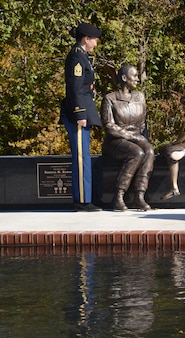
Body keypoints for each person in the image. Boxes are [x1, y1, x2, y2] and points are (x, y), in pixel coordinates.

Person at [60, 22, 102, 211]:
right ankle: (82, 200)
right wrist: (80, 113)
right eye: (94, 40)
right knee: (81, 157)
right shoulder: (77, 57)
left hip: (84, 112)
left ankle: (84, 198)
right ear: (86, 39)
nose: (95, 43)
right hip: (78, 114)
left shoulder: (82, 56)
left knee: (84, 155)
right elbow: (75, 89)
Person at [101, 65, 154, 211]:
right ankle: (118, 196)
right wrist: (129, 136)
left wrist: (139, 138)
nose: (137, 79)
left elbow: (142, 124)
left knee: (149, 150)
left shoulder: (140, 97)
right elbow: (109, 125)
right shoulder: (110, 99)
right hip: (115, 141)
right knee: (136, 153)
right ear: (124, 78)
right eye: (134, 76)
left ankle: (139, 196)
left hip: (136, 137)